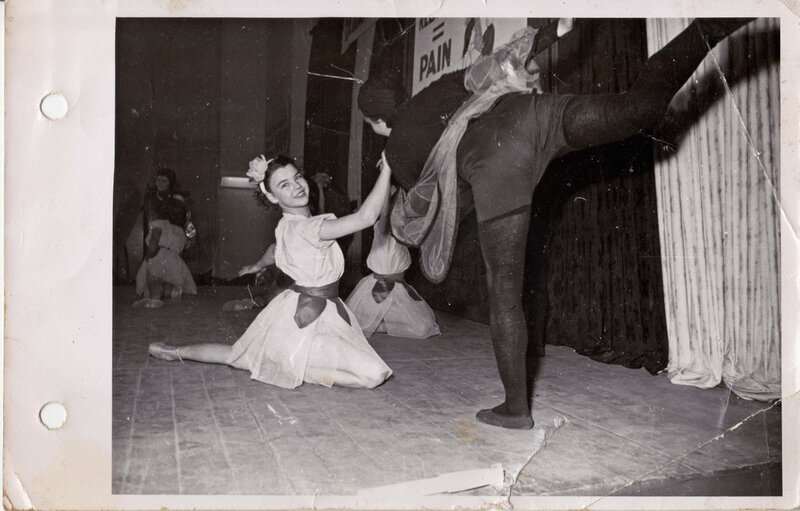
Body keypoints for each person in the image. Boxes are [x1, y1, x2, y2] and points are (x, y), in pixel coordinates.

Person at [357, 18, 754, 428]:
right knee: (635, 109)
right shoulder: (436, 89)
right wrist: (551, 32)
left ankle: (515, 409)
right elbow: (496, 61)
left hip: (497, 166)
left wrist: (390, 171)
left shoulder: (397, 149)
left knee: (505, 294)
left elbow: (416, 224)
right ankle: (707, 27)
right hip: (529, 117)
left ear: (376, 122)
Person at [148, 154, 393, 389]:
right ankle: (301, 369)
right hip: (304, 320)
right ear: (273, 197)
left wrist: (258, 265)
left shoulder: (287, 224)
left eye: (297, 177)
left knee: (237, 355)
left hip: (300, 317)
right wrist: (388, 169)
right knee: (374, 375)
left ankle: (175, 351)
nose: (296, 186)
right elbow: (366, 217)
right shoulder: (309, 228)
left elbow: (275, 249)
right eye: (284, 185)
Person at [346, 186, 441, 339]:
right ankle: (379, 322)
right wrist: (386, 190)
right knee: (358, 324)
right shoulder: (382, 227)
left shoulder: (404, 229)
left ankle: (382, 323)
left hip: (398, 289)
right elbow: (385, 213)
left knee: (424, 328)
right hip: (378, 288)